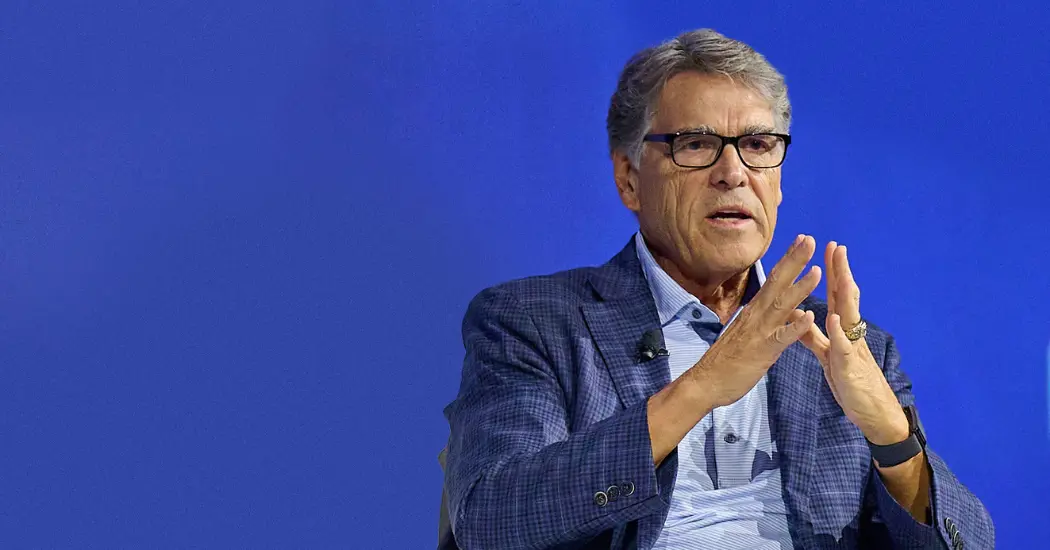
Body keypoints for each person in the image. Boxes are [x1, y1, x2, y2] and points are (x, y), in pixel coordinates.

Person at [440, 28, 992, 550]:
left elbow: (967, 539)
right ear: (629, 179)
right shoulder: (535, 322)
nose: (733, 172)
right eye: (696, 144)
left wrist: (890, 434)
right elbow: (493, 519)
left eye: (757, 144)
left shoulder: (843, 345)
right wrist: (701, 386)